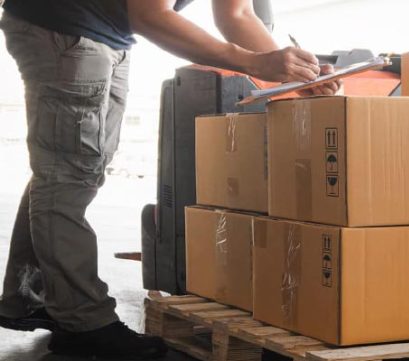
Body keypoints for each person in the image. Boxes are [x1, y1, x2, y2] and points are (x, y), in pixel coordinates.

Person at [0, 0, 340, 359]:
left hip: (107, 33)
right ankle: (83, 322)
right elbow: (150, 15)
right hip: (62, 25)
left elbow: (237, 13)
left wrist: (294, 73)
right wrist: (256, 62)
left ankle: (31, 294)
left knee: (73, 169)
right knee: (68, 173)